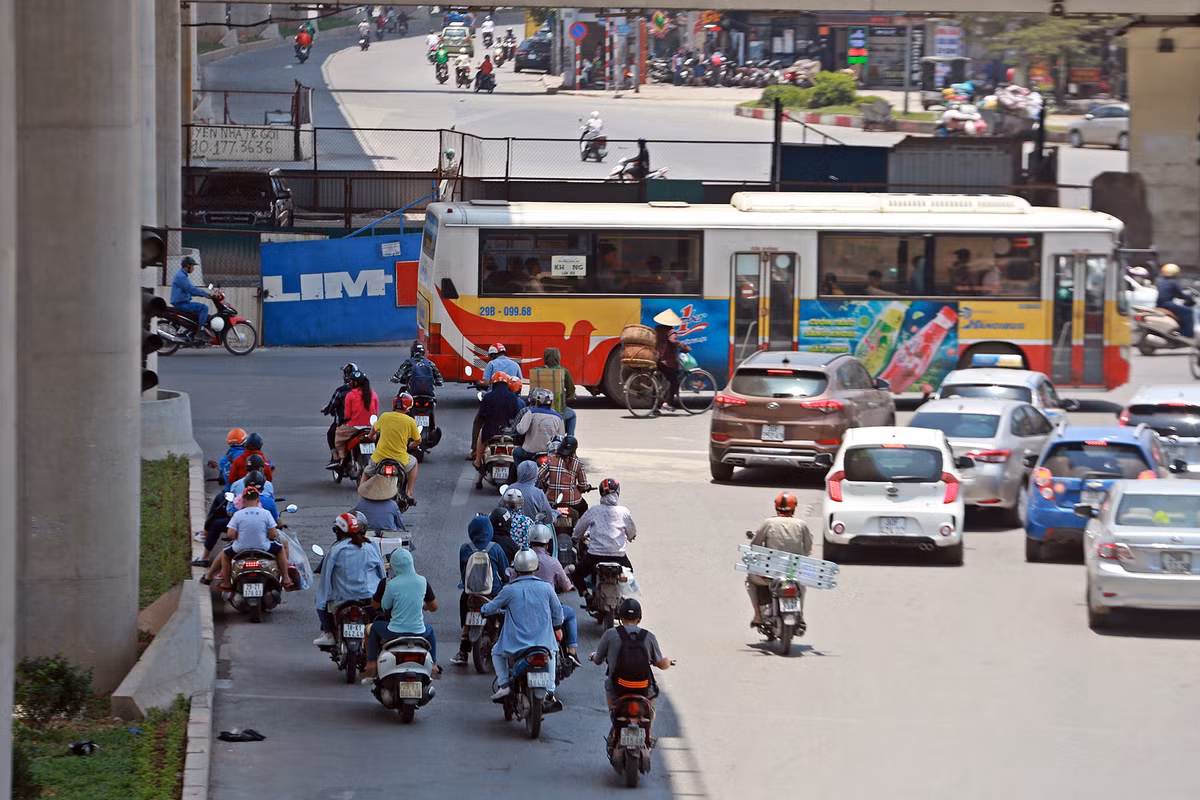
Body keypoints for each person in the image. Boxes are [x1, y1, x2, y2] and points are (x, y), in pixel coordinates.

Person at [482, 549, 564, 703]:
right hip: (543, 642)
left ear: (516, 569)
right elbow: (558, 611)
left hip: (516, 644)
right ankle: (550, 691)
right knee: (552, 653)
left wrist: (483, 609)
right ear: (536, 567)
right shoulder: (546, 587)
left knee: (496, 652)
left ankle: (504, 684)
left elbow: (491, 607)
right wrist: (557, 626)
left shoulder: (509, 590)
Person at [313, 513, 386, 647]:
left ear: (338, 531)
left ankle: (328, 634)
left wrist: (322, 600)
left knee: (319, 598)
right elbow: (382, 574)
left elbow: (325, 578)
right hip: (368, 597)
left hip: (341, 598)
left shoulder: (335, 550)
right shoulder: (370, 546)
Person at [590, 598, 672, 715]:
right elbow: (660, 664)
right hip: (643, 687)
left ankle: (614, 713)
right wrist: (667, 662)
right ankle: (648, 714)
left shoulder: (609, 634)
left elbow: (598, 660)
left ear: (620, 617)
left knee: (608, 684)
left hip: (618, 686)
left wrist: (593, 656)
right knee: (653, 690)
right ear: (639, 618)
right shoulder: (649, 637)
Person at [365, 548, 438, 679]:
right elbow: (434, 606)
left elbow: (385, 606)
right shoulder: (422, 581)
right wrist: (424, 606)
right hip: (419, 632)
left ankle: (371, 664)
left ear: (394, 566)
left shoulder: (391, 584)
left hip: (395, 631)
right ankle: (434, 665)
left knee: (374, 628)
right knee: (430, 630)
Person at [202, 485, 292, 591]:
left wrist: (238, 536)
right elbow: (273, 534)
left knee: (225, 555)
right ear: (258, 500)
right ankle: (286, 578)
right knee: (280, 549)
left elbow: (230, 535)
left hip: (240, 548)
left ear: (244, 500)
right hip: (263, 547)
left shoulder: (238, 514)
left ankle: (226, 583)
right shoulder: (266, 513)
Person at [747, 492, 814, 630]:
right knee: (802, 586)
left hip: (771, 575)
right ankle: (801, 615)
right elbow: (808, 549)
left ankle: (758, 616)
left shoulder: (769, 523)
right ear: (794, 507)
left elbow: (755, 545)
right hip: (793, 573)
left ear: (776, 507)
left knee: (750, 581)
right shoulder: (801, 524)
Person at [519, 524, 582, 667]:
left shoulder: (522, 560)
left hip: (524, 609)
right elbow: (566, 585)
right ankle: (572, 651)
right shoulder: (553, 562)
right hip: (548, 610)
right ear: (547, 543)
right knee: (571, 614)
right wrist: (569, 587)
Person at [451, 515, 510, 666]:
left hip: (470, 593)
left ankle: (463, 652)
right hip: (492, 592)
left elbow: (463, 573)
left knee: (465, 607)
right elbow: (505, 572)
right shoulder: (496, 548)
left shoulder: (465, 548)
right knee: (505, 612)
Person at [571, 478, 635, 596]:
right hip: (619, 557)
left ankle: (586, 595)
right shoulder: (624, 512)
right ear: (617, 492)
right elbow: (632, 533)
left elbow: (578, 530)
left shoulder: (594, 511)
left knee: (576, 574)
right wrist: (630, 537)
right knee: (630, 572)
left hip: (595, 556)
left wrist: (575, 538)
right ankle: (624, 596)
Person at [367, 393, 421, 503]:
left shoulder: (384, 416)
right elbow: (418, 440)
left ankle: (362, 498)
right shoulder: (410, 421)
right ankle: (409, 492)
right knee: (414, 462)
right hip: (400, 459)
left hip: (380, 458)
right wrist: (412, 445)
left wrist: (371, 436)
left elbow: (373, 429)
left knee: (366, 472)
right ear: (408, 407)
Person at [474, 372, 521, 488]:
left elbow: (481, 415)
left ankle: (478, 461)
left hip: (490, 432)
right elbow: (516, 415)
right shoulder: (512, 397)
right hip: (509, 432)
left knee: (480, 437)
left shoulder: (487, 397)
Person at [328, 371, 378, 468]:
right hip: (371, 427)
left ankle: (341, 458)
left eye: (351, 381)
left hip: (355, 426)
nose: (349, 383)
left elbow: (347, 415)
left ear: (355, 383)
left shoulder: (350, 395)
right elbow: (375, 413)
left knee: (338, 439)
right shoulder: (374, 394)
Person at [530, 347, 577, 436]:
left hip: (537, 409)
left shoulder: (536, 371)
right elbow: (571, 391)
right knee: (572, 415)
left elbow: (532, 392)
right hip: (558, 409)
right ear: (558, 357)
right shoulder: (564, 371)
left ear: (545, 357)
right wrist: (566, 397)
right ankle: (570, 439)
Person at [538, 435, 589, 515]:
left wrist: (546, 486)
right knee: (584, 508)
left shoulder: (550, 460)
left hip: (551, 500)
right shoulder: (578, 463)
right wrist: (583, 488)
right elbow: (583, 485)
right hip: (572, 501)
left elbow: (540, 475)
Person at [652, 309, 690, 414]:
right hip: (666, 362)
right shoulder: (671, 331)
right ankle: (667, 403)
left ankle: (654, 408)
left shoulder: (657, 330)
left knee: (656, 382)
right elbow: (673, 340)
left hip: (656, 359)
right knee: (675, 382)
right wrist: (684, 347)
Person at [514, 389, 564, 464]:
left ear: (537, 401)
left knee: (516, 452)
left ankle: (520, 470)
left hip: (529, 452)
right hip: (549, 453)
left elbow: (521, 430)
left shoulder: (531, 412)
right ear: (552, 402)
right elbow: (561, 437)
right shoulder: (558, 417)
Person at [321, 363, 358, 455]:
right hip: (366, 424)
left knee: (331, 435)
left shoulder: (341, 391)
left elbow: (331, 406)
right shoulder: (367, 391)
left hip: (347, 424)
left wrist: (326, 410)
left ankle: (336, 456)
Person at [355, 467, 405, 532]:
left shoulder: (361, 503)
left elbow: (354, 516)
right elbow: (400, 524)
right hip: (389, 532)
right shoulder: (392, 504)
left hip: (367, 531)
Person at [170, 256, 211, 335]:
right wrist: (205, 294)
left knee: (197, 314)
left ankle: (192, 331)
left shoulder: (182, 275)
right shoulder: (181, 276)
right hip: (182, 304)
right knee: (204, 308)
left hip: (183, 303)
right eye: (192, 266)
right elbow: (191, 289)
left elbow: (191, 289)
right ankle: (200, 332)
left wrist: (203, 293)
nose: (193, 268)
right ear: (187, 266)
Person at [1156, 263, 1194, 340]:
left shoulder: (1161, 282)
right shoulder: (1173, 283)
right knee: (1189, 312)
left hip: (1159, 304)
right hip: (1167, 304)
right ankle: (1186, 335)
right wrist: (1189, 297)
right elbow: (1180, 294)